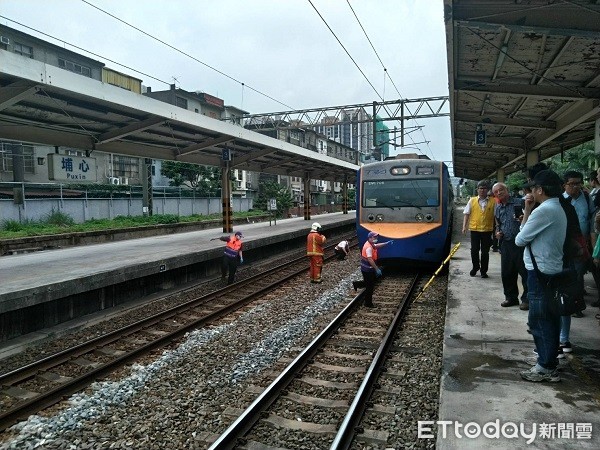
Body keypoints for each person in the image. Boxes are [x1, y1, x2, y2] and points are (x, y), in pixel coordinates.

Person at [515, 170, 567, 382]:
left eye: (533, 188)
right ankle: (549, 362)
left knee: (540, 319)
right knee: (549, 318)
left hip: (540, 273)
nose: (530, 192)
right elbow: (524, 231)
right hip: (548, 270)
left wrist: (530, 212)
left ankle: (545, 366)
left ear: (540, 190)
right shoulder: (554, 207)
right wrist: (527, 209)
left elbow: (520, 239)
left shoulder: (544, 211)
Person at [492, 182, 528, 309]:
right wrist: (498, 232)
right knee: (507, 272)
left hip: (521, 243)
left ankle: (526, 299)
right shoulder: (497, 207)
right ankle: (511, 297)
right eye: (496, 192)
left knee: (524, 272)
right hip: (506, 242)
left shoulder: (520, 202)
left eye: (501, 190)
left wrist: (524, 218)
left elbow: (530, 218)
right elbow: (498, 223)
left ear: (507, 190)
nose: (499, 193)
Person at [462, 179, 495, 278]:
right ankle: (475, 266)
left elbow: (496, 216)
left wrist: (497, 228)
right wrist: (464, 226)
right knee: (474, 250)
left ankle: (484, 271)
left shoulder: (493, 202)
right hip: (475, 230)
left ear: (488, 190)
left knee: (485, 252)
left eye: (485, 189)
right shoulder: (472, 200)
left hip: (487, 230)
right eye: (480, 188)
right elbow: (466, 214)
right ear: (477, 190)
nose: (482, 190)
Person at [355, 231, 392, 307]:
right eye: (374, 237)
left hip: (367, 269)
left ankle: (357, 284)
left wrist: (386, 243)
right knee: (370, 287)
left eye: (376, 237)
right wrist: (377, 269)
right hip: (367, 269)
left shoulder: (370, 244)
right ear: (370, 238)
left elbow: (376, 246)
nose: (376, 238)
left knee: (369, 282)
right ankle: (368, 303)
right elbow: (370, 259)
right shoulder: (368, 247)